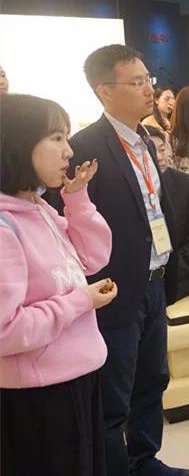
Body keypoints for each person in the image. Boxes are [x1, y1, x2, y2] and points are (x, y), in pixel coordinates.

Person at [55, 44, 189, 476]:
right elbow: (69, 226)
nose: (149, 89)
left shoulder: (145, 141)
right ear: (104, 90)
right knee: (115, 392)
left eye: (148, 79)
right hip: (114, 289)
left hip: (154, 281)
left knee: (153, 380)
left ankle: (144, 460)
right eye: (136, 82)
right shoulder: (84, 147)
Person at [0, 93, 116, 476]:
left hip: (76, 378)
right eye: (56, 138)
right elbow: (6, 331)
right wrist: (80, 301)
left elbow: (93, 257)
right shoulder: (6, 227)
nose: (69, 150)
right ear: (18, 143)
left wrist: (77, 198)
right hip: (39, 398)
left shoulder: (38, 208)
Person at [146, 125, 189, 304]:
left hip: (182, 278)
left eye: (162, 149)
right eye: (151, 151)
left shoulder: (188, 185)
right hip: (144, 279)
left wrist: (169, 272)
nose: (159, 157)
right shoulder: (131, 188)